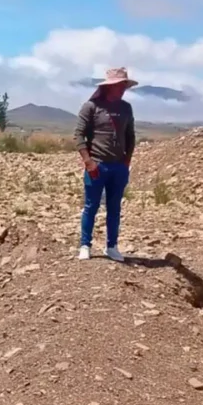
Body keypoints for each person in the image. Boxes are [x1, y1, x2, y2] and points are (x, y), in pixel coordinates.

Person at [74, 67, 137, 262]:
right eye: (120, 85)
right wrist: (88, 161)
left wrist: (127, 160)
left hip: (118, 167)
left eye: (124, 85)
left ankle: (112, 246)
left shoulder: (126, 108)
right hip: (97, 165)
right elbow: (79, 135)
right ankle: (85, 245)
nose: (123, 89)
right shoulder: (91, 107)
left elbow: (130, 136)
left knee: (114, 208)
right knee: (91, 206)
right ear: (109, 86)